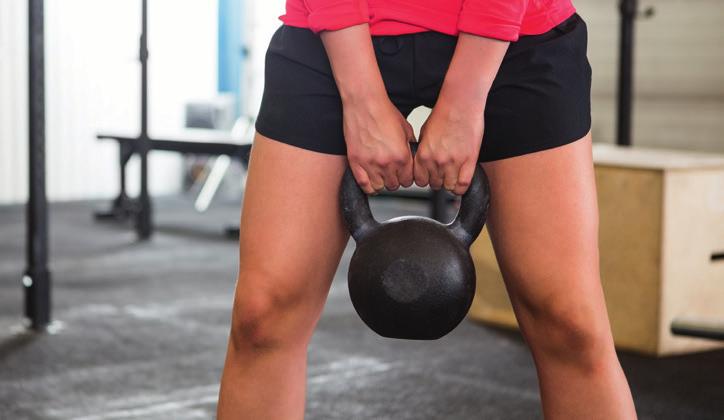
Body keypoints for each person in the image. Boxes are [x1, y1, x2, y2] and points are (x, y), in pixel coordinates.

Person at [217, 0, 637, 418]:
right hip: (333, 31)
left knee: (570, 325)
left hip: (517, 33)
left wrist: (464, 100)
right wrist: (361, 98)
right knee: (263, 315)